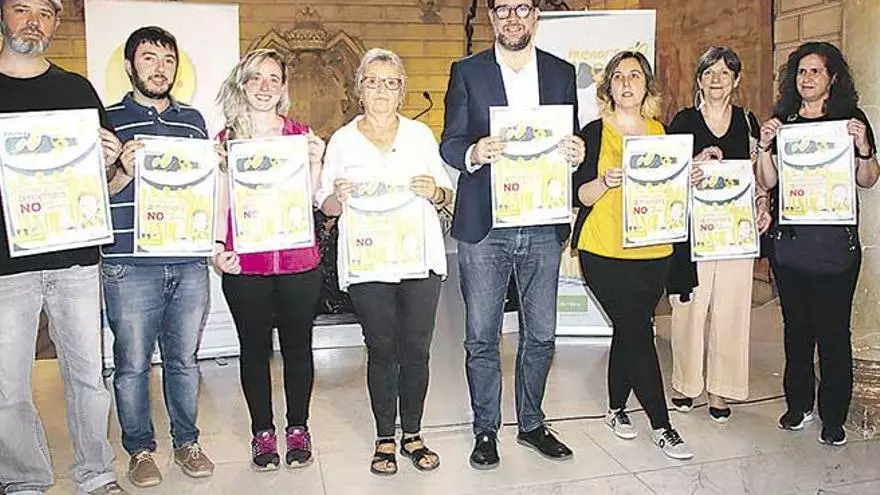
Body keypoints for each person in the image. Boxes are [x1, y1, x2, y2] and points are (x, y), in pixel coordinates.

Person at [440, 0, 585, 470]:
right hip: (485, 225)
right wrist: (474, 152)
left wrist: (577, 151)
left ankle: (532, 423)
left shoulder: (561, 73)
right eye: (503, 8)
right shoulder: (467, 71)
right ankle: (486, 429)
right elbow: (450, 141)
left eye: (522, 7)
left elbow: (571, 139)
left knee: (541, 334)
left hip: (542, 221)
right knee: (481, 337)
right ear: (492, 18)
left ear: (535, 15)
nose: (513, 17)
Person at [0, 0, 127, 493]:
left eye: (46, 12)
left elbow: (105, 186)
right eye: (22, 8)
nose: (34, 21)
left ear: (56, 23)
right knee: (8, 386)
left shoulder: (76, 90)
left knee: (88, 378)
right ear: (3, 15)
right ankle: (22, 479)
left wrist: (111, 162)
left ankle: (97, 473)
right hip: (6, 264)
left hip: (76, 260)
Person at [317, 48, 454, 476]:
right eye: (373, 82)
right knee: (381, 348)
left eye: (391, 83)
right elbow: (324, 204)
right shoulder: (342, 140)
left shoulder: (420, 136)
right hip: (368, 259)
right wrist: (336, 198)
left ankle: (412, 433)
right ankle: (383, 438)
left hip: (418, 258)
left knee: (416, 349)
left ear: (402, 91)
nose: (381, 90)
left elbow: (446, 193)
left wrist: (435, 191)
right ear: (359, 89)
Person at [101, 26, 214, 488]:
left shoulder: (194, 121)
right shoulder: (107, 120)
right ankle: (140, 450)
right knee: (132, 364)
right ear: (130, 66)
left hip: (188, 261)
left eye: (168, 59)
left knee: (184, 359)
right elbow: (89, 198)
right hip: (129, 264)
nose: (160, 68)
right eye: (149, 58)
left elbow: (203, 191)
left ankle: (187, 442)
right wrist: (123, 172)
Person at [572, 50, 694, 460]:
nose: (627, 82)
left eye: (635, 75)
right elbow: (580, 195)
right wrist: (605, 182)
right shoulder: (593, 133)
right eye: (619, 76)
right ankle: (663, 426)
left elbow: (673, 192)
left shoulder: (662, 133)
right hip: (603, 250)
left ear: (647, 86)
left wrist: (690, 177)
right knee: (639, 331)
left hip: (655, 251)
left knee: (630, 329)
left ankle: (615, 409)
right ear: (608, 87)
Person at [755, 41, 879, 445]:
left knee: (833, 334)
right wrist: (764, 146)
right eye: (801, 72)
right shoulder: (783, 121)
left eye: (815, 72)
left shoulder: (850, 120)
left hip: (835, 248)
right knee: (796, 331)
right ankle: (798, 406)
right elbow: (768, 181)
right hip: (791, 245)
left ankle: (833, 417)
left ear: (832, 78)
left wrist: (864, 148)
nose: (806, 78)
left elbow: (868, 179)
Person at [212, 48, 326, 471]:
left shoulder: (300, 136)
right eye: (256, 78)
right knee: (254, 349)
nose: (264, 86)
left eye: (273, 78)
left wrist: (315, 162)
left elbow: (311, 200)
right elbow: (219, 203)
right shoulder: (225, 142)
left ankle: (298, 427)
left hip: (298, 264)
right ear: (242, 85)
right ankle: (262, 431)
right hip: (247, 266)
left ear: (283, 88)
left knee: (299, 349)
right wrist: (216, 250)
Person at [664, 46, 772, 423]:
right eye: (709, 72)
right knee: (689, 310)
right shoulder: (683, 121)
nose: (716, 80)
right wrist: (691, 165)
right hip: (693, 234)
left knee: (732, 310)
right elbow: (665, 174)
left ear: (736, 80)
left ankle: (720, 388)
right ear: (699, 80)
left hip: (735, 235)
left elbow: (759, 177)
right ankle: (685, 383)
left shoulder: (748, 123)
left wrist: (763, 205)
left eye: (724, 73)